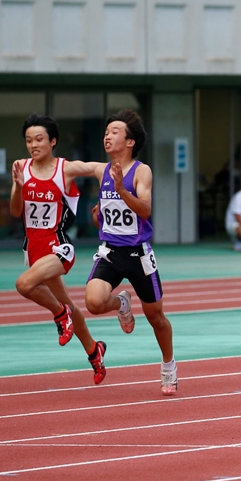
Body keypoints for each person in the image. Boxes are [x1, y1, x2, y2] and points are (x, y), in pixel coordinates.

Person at [84, 109, 178, 396]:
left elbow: (146, 211)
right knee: (94, 302)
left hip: (138, 255)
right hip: (110, 251)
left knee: (156, 317)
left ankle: (169, 366)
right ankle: (122, 304)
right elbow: (73, 166)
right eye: (106, 132)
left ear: (130, 141)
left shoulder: (142, 171)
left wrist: (123, 191)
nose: (107, 136)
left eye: (114, 131)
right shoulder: (102, 170)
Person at [10, 113, 107, 385]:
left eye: (39, 139)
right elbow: (16, 211)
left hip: (59, 247)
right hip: (34, 250)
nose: (33, 144)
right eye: (29, 140)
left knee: (24, 284)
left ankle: (59, 314)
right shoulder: (21, 167)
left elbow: (100, 168)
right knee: (69, 305)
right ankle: (94, 351)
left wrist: (104, 199)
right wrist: (18, 188)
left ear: (52, 141)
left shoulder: (65, 169)